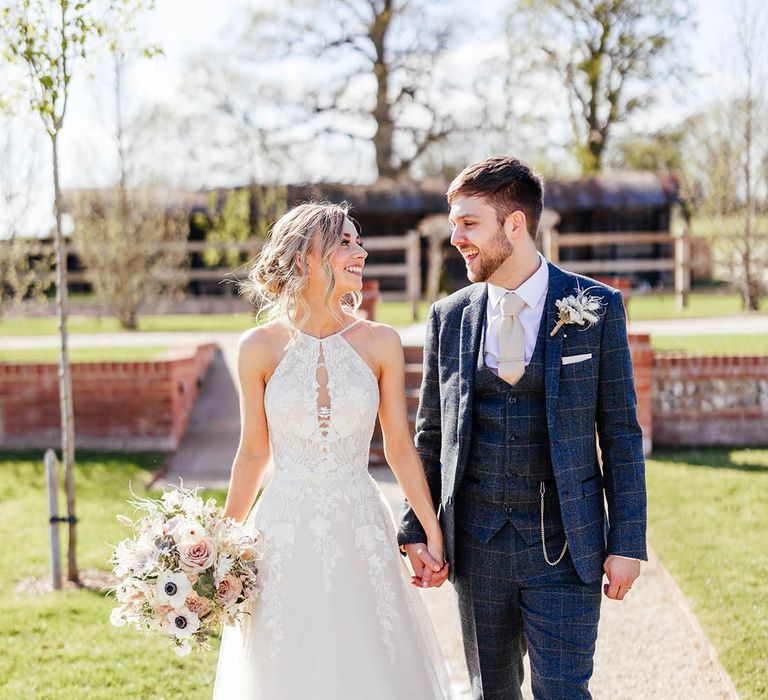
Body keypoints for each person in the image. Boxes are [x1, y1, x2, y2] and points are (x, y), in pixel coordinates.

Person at [398, 156, 647, 699]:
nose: (455, 237)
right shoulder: (450, 316)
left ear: (515, 224)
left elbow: (622, 432)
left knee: (563, 692)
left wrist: (627, 540)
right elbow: (430, 435)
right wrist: (415, 528)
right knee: (493, 694)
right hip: (477, 547)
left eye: (469, 223)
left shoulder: (596, 308)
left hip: (567, 546)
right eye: (453, 223)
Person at [211, 201, 453, 699]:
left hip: (359, 520)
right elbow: (253, 454)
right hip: (282, 528)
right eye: (344, 242)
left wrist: (432, 529)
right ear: (304, 256)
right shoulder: (257, 347)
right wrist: (217, 546)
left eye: (357, 240)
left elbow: (400, 449)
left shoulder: (380, 342)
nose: (359, 251)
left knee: (369, 658)